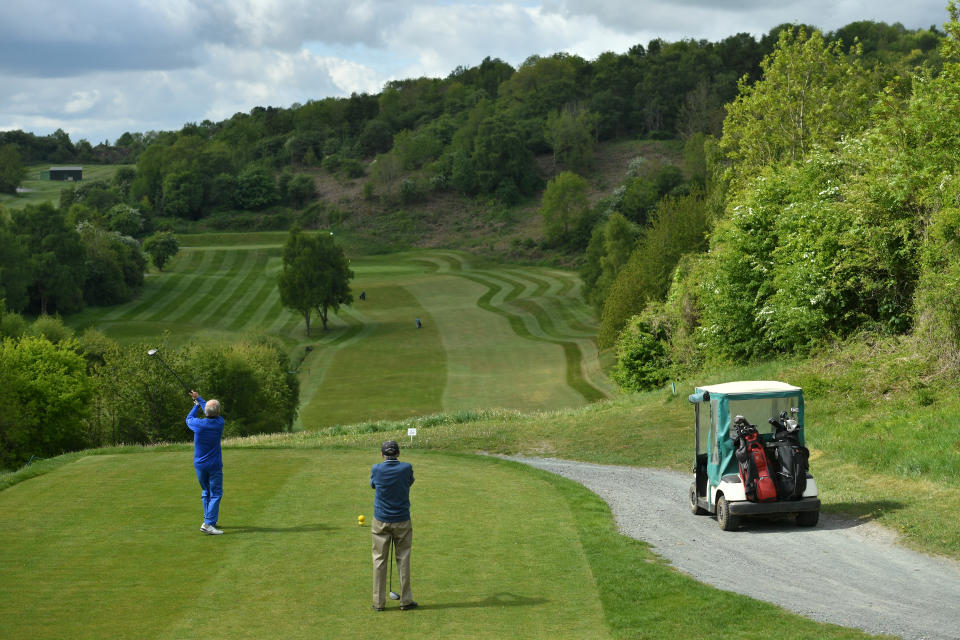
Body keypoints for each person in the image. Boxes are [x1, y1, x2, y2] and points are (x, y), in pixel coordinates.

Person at [370, 440, 416, 611]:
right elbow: (409, 482)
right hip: (402, 520)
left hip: (380, 520)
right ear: (398, 453)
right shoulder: (406, 468)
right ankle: (406, 601)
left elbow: (373, 485)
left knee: (379, 560)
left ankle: (378, 603)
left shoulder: (376, 468)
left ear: (382, 454)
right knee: (403, 558)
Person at [186, 390, 225, 535]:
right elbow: (210, 411)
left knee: (206, 491)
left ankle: (209, 520)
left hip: (200, 465)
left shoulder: (198, 424)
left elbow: (189, 418)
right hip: (214, 465)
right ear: (218, 412)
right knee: (215, 493)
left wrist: (196, 405)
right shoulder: (220, 422)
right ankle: (208, 524)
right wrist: (200, 400)